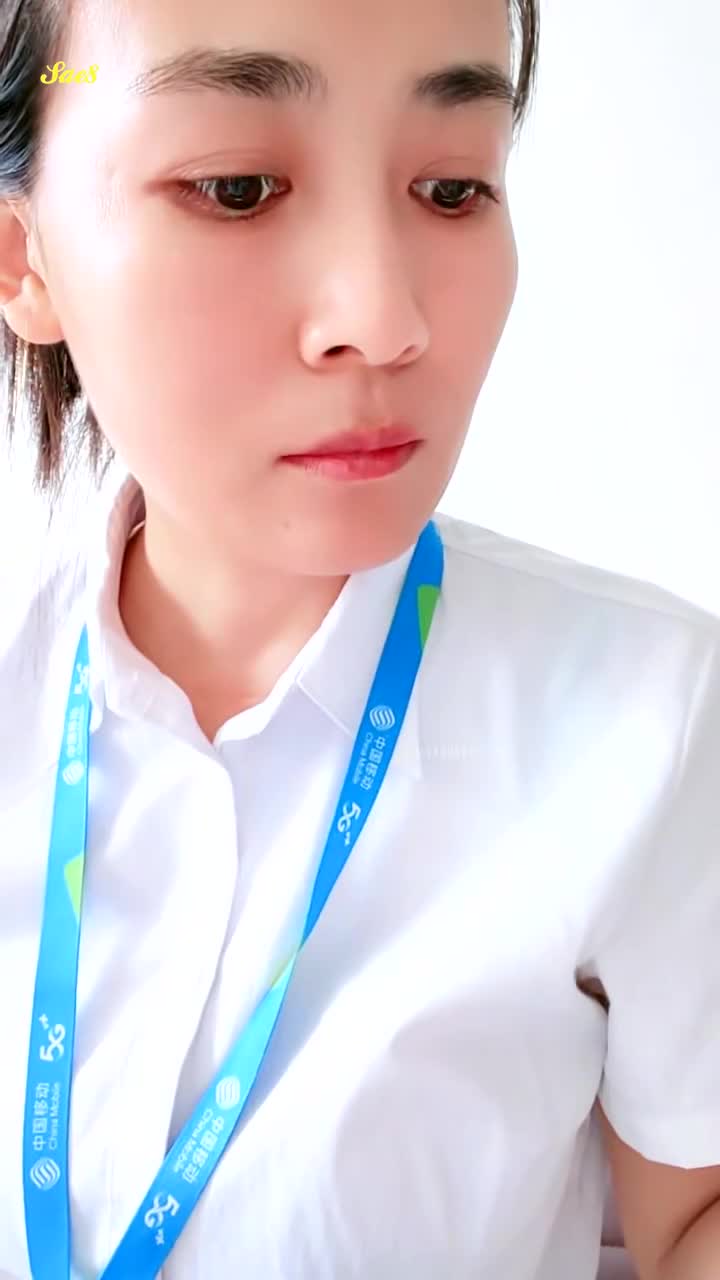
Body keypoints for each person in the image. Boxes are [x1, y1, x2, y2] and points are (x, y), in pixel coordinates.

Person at [0, 0, 719, 1277]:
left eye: (452, 188)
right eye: (238, 187)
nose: (386, 319)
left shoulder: (651, 721)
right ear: (24, 257)